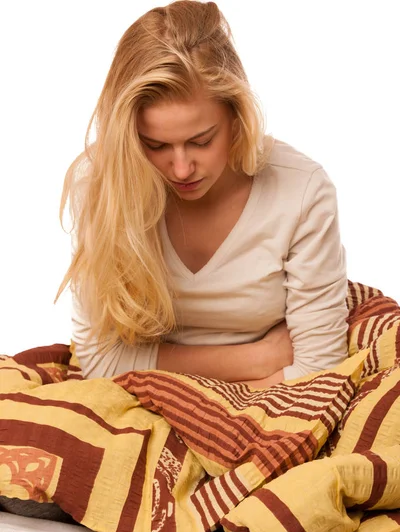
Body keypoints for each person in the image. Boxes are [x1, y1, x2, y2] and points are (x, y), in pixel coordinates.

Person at [55, 0, 349, 390]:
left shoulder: (301, 190)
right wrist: (258, 358)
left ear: (236, 116)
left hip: (257, 393)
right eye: (155, 145)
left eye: (200, 141)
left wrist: (213, 398)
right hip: (257, 376)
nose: (180, 169)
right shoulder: (100, 184)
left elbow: (320, 365)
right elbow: (100, 360)